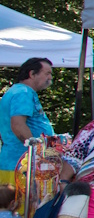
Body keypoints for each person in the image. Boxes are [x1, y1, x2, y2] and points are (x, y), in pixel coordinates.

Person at [1, 57, 54, 186]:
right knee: (19, 199)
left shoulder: (17, 91)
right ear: (32, 74)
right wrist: (37, 154)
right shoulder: (23, 92)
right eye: (47, 73)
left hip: (15, 162)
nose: (50, 78)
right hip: (21, 165)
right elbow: (18, 125)